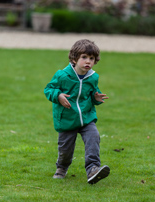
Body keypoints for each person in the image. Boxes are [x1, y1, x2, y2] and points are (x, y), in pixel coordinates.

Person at [44, 39, 110, 184]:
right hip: (67, 119)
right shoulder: (62, 75)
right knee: (65, 149)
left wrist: (96, 98)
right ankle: (61, 168)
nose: (88, 61)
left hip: (86, 118)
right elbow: (48, 89)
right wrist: (59, 96)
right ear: (74, 59)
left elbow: (91, 95)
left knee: (94, 137)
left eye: (91, 58)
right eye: (84, 57)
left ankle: (93, 169)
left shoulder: (93, 77)